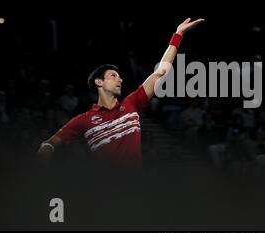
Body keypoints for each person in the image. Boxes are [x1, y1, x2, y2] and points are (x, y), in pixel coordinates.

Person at [37, 18, 204, 166]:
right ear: (99, 82)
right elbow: (50, 143)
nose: (120, 79)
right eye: (113, 76)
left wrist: (178, 34)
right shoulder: (84, 120)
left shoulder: (132, 103)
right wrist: (45, 151)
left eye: (120, 76)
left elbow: (160, 71)